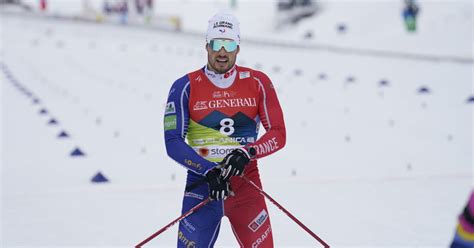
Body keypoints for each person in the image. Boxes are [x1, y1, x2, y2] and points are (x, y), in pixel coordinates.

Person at [164, 12, 286, 247]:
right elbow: (172, 141)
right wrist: (209, 171)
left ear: (237, 47)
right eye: (216, 44)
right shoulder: (184, 86)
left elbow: (278, 133)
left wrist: (248, 152)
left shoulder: (258, 82)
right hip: (202, 187)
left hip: (246, 186)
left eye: (228, 44)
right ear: (207, 46)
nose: (222, 51)